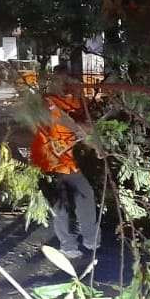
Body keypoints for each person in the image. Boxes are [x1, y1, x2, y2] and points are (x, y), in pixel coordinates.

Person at [30, 66, 98, 258]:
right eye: (63, 81)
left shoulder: (76, 100)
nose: (68, 86)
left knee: (87, 194)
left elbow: (82, 125)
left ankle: (91, 239)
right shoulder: (47, 102)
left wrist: (90, 137)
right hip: (49, 161)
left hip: (70, 161)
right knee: (61, 204)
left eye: (72, 82)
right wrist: (78, 127)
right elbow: (57, 122)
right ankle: (68, 245)